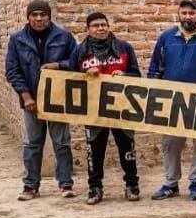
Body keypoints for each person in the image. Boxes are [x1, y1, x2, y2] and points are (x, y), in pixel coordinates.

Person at [53, 12, 142, 205]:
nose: (100, 28)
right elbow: (72, 76)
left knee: (127, 149)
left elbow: (137, 74)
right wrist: (85, 73)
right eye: (95, 25)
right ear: (88, 29)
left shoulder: (124, 48)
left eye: (103, 25)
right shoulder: (80, 51)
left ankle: (132, 185)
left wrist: (124, 74)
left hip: (122, 108)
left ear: (108, 27)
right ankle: (95, 188)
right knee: (94, 151)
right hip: (93, 110)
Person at [147, 0, 196, 201]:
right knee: (171, 142)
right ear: (179, 14)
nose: (187, 16)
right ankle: (171, 183)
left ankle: (195, 183)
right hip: (172, 100)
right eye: (184, 13)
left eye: (192, 12)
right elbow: (155, 67)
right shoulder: (167, 37)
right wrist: (152, 91)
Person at [4, 0, 77, 201]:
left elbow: (76, 61)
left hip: (58, 99)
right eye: (34, 15)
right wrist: (26, 97)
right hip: (31, 101)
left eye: (42, 14)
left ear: (49, 16)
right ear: (28, 17)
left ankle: (66, 184)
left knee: (62, 142)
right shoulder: (17, 39)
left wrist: (58, 65)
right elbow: (12, 70)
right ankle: (30, 186)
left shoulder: (64, 37)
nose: (38, 18)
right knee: (32, 144)